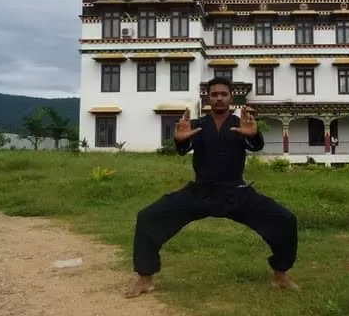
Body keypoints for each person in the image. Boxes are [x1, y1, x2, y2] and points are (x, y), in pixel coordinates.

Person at [125, 77, 299, 298]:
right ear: (209, 97)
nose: (219, 98)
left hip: (236, 192)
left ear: (230, 97)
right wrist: (179, 139)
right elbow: (183, 147)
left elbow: (256, 145)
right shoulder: (198, 125)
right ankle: (145, 278)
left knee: (284, 219)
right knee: (149, 216)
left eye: (223, 94)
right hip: (201, 192)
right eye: (214, 94)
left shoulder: (240, 123)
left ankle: (280, 274)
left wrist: (253, 134)